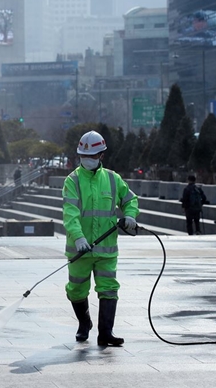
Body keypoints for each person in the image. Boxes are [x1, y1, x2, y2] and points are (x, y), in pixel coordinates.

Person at [62, 130, 139, 347]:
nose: (87, 160)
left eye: (92, 156)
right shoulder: (73, 181)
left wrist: (130, 215)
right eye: (84, 156)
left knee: (109, 289)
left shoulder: (114, 180)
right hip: (80, 250)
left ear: (101, 156)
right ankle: (84, 323)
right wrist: (78, 237)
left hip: (106, 249)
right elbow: (71, 212)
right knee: (76, 290)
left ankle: (106, 333)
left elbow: (130, 200)